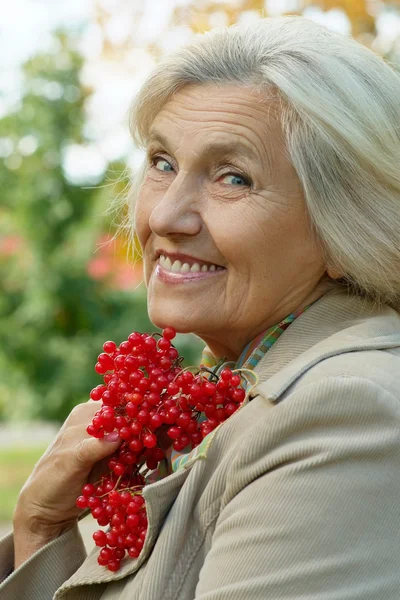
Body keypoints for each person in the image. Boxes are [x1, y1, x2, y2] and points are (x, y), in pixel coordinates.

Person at [1, 14, 400, 600]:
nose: (164, 217)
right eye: (162, 163)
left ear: (345, 229)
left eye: (232, 178)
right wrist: (40, 532)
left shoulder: (343, 412)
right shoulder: (245, 386)